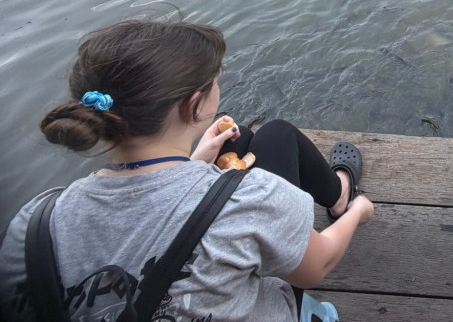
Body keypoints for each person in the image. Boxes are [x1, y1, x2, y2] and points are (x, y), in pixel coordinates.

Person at [0, 19, 374, 321]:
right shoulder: (253, 199)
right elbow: (317, 266)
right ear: (194, 105)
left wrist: (196, 163)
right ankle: (343, 198)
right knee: (276, 134)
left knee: (239, 137)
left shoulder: (33, 223)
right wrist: (360, 213)